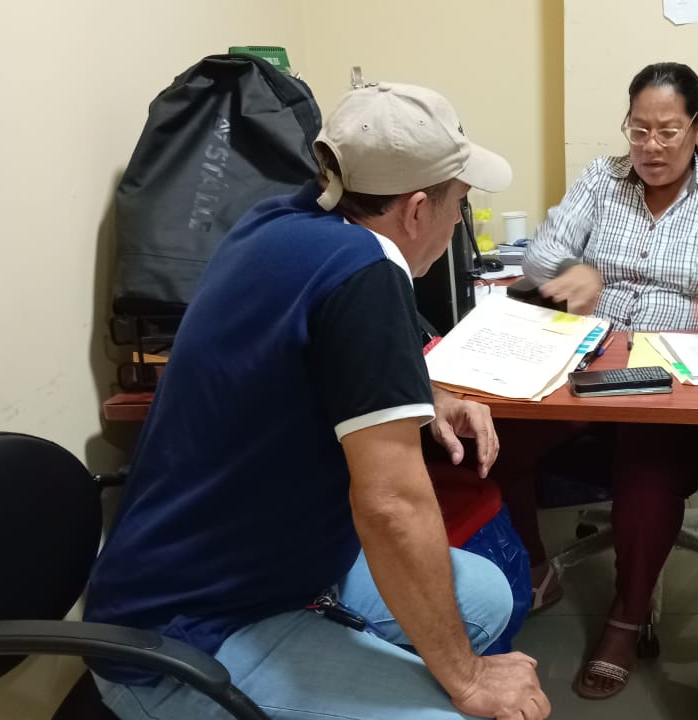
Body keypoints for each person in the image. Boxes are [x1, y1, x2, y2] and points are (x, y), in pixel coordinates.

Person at [84, 83, 551, 720]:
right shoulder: (366, 273)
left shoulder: (281, 221)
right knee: (457, 711)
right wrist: (467, 679)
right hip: (183, 635)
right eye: (460, 204)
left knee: (487, 595)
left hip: (273, 564)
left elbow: (311, 352)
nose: (457, 222)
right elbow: (391, 507)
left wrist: (424, 393)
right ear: (417, 210)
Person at [506, 61, 698, 700]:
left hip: (677, 373)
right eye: (639, 129)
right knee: (496, 438)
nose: (651, 146)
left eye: (669, 131)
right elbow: (540, 254)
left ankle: (626, 618)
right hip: (593, 359)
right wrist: (569, 270)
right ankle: (536, 569)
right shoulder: (602, 178)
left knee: (647, 470)